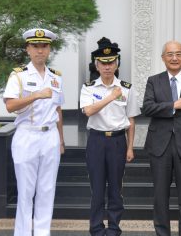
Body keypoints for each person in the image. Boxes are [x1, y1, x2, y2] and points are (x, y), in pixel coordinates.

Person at [3, 28, 65, 236]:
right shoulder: (18, 75)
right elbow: (10, 106)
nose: (40, 50)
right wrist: (36, 95)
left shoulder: (56, 77)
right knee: (26, 192)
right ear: (27, 49)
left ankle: (42, 233)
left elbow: (58, 109)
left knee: (47, 190)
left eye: (44, 46)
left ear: (49, 49)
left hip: (50, 137)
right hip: (27, 135)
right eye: (35, 46)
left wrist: (62, 140)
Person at [141, 40, 181, 236]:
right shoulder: (154, 80)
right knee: (160, 197)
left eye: (178, 54)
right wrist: (173, 105)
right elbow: (147, 108)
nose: (174, 58)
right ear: (163, 58)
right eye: (170, 54)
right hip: (159, 146)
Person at [80, 39, 139, 236]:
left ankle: (114, 228)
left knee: (115, 188)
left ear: (117, 64)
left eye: (111, 62)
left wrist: (130, 147)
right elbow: (88, 111)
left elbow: (131, 119)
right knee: (97, 189)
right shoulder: (88, 87)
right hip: (96, 141)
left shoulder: (127, 88)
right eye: (103, 63)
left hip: (117, 141)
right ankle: (96, 228)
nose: (107, 67)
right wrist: (111, 97)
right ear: (96, 65)